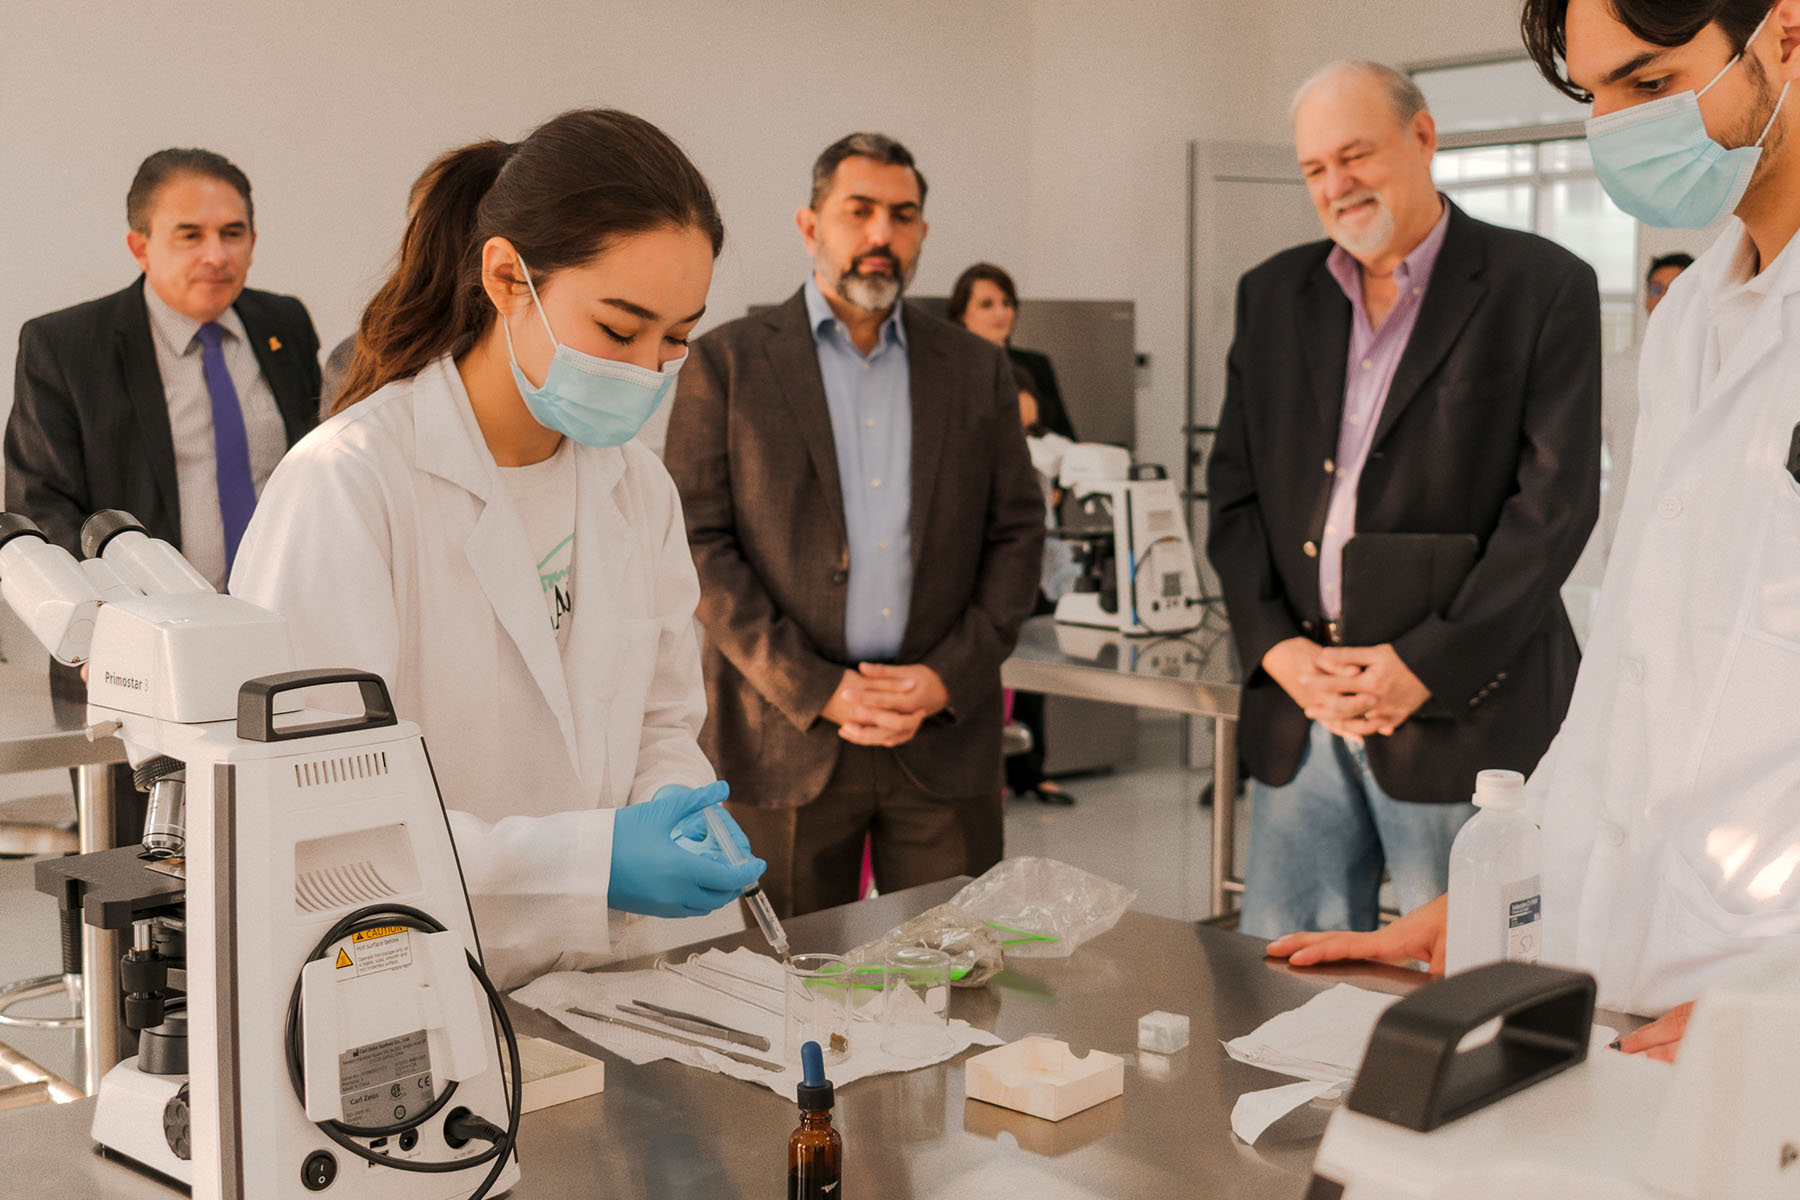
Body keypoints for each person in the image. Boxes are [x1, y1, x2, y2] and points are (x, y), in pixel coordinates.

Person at [1269, 0, 1800, 1063]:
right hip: (1631, 982)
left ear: (1785, 33)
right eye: (1592, 95)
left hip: (1761, 1001)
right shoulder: (1693, 316)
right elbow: (1630, 673)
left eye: (1648, 86)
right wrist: (1512, 889)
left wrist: (1783, 1005)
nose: (1615, 130)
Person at [230, 109, 764, 989]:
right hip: (410, 987)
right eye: (619, 328)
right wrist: (590, 861)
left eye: (676, 337)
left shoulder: (637, 489)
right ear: (507, 278)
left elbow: (663, 719)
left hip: (606, 979)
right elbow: (320, 817)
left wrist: (673, 804)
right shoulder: (351, 485)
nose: (645, 370)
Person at [1206, 60, 1601, 939]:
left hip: (1464, 716)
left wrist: (1428, 664)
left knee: (1461, 987)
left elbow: (1554, 508)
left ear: (1423, 136)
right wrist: (1275, 650)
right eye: (1315, 168)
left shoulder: (1542, 287)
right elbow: (1231, 495)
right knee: (1282, 982)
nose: (1336, 184)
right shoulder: (1271, 295)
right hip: (1302, 714)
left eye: (1355, 155)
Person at [665, 132, 1044, 918]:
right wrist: (818, 687)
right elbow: (696, 542)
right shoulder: (726, 364)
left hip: (940, 731)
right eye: (859, 211)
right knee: (782, 988)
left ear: (923, 234)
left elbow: (1017, 534)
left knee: (954, 983)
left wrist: (948, 676)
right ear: (811, 226)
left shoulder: (977, 370)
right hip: (780, 737)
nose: (881, 235)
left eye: (902, 216)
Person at [7, 147, 322, 592]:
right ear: (141, 247)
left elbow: (313, 470)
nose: (217, 255)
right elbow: (42, 510)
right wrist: (111, 626)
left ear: (253, 243)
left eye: (232, 233)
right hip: (133, 632)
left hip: (280, 617)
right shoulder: (65, 346)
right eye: (190, 236)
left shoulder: (285, 324)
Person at [1591, 251, 1694, 559]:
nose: (1664, 298)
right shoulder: (1617, 369)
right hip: (1627, 523)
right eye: (1656, 289)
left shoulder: (1722, 365)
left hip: (1693, 530)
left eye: (1676, 288)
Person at [948, 262, 1078, 441]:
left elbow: (1067, 435)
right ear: (961, 314)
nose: (1000, 312)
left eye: (1007, 303)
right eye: (987, 305)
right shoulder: (947, 367)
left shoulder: (1037, 364)